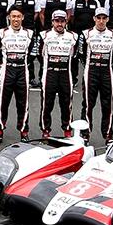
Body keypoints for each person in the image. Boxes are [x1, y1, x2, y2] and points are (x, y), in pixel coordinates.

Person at [0, 8, 36, 145]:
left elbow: (33, 51)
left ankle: (24, 132)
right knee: (2, 102)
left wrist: (26, 62)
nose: (16, 19)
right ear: (9, 17)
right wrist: (0, 63)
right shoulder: (1, 32)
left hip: (22, 71)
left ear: (22, 17)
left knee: (23, 103)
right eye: (13, 16)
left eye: (18, 16)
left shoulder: (29, 33)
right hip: (7, 71)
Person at [78, 8, 113, 144]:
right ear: (94, 18)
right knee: (88, 104)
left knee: (107, 105)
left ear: (107, 19)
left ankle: (108, 135)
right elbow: (81, 54)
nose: (101, 21)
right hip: (91, 72)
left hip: (106, 72)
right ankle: (85, 134)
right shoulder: (86, 34)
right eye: (98, 18)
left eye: (104, 18)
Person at [39, 10, 80, 138]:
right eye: (57, 21)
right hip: (49, 73)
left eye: (62, 21)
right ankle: (45, 130)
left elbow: (75, 56)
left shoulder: (73, 36)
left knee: (66, 103)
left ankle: (67, 130)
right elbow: (40, 54)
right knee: (47, 103)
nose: (59, 24)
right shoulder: (44, 35)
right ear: (52, 22)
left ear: (66, 22)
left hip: (65, 73)